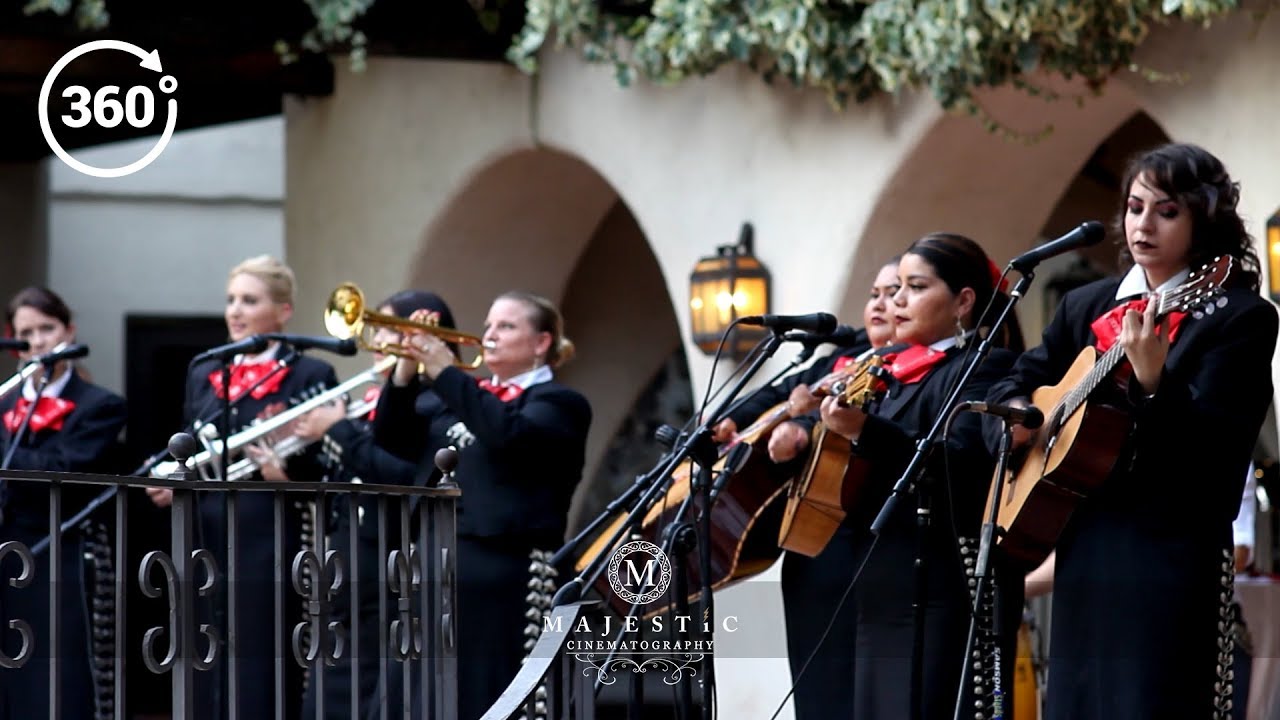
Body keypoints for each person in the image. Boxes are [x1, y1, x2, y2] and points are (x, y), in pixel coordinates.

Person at [987, 142, 1278, 719]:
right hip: (1084, 544)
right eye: (1135, 207)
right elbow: (1019, 380)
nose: (1143, 224)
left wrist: (1152, 385)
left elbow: (1215, 450)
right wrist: (1020, 417)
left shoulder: (1238, 316)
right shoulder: (1086, 305)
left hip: (1168, 553)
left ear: (1204, 219)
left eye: (1167, 211)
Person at [819, 233, 1024, 719]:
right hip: (883, 585)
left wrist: (865, 430)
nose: (897, 301)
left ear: (963, 301)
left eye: (915, 287)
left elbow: (960, 463)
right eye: (896, 289)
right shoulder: (890, 374)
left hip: (941, 582)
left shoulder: (983, 365)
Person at [375, 290, 591, 720]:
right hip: (436, 568)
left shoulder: (559, 404)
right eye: (489, 325)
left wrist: (444, 370)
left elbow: (507, 436)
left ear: (541, 342)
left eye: (506, 326)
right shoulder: (458, 400)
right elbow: (393, 438)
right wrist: (406, 368)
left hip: (504, 579)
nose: (490, 335)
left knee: (485, 697)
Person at [147, 255, 339, 720]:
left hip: (267, 523)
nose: (235, 310)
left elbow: (325, 463)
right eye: (231, 299)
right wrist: (176, 478)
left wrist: (282, 473)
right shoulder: (206, 371)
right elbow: (191, 439)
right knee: (202, 637)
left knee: (259, 645)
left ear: (283, 311)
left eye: (250, 301)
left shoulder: (310, 374)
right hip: (206, 521)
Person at [706, 258, 899, 718]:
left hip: (868, 536)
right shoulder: (843, 356)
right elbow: (782, 391)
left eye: (895, 293)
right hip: (809, 536)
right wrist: (732, 418)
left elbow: (874, 430)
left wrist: (806, 425)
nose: (880, 304)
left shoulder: (909, 369)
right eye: (874, 294)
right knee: (816, 688)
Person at [291, 289, 458, 719]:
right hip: (347, 557)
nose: (377, 339)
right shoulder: (380, 397)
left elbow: (402, 474)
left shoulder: (436, 402)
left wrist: (339, 430)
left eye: (389, 328)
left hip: (388, 562)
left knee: (368, 688)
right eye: (378, 328)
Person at [0, 286, 127, 720]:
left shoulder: (100, 405)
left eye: (47, 329)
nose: (38, 342)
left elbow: (61, 468)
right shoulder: (5, 402)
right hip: (7, 550)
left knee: (57, 677)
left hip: (61, 552)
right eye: (27, 334)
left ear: (69, 331)